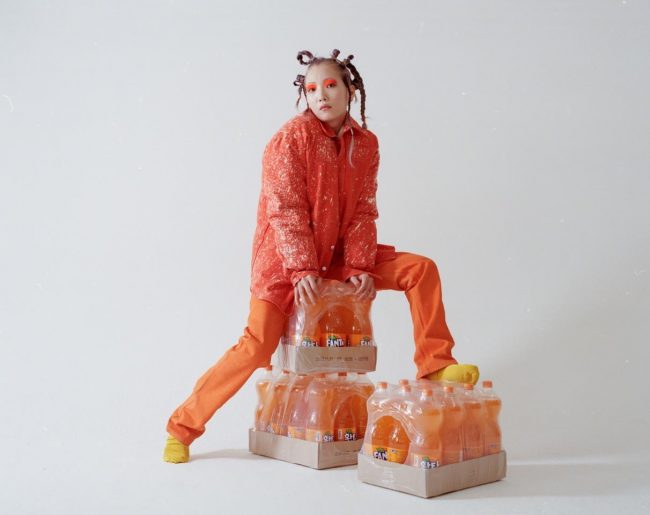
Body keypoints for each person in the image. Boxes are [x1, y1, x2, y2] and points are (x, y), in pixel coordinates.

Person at [163, 49, 479, 463]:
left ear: (350, 91)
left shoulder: (366, 144)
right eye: (312, 89)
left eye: (330, 86)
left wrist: (360, 264)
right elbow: (285, 208)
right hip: (285, 263)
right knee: (256, 346)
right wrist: (302, 268)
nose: (321, 95)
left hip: (343, 256)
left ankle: (435, 362)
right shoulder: (290, 139)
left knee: (419, 269)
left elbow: (363, 209)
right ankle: (182, 428)